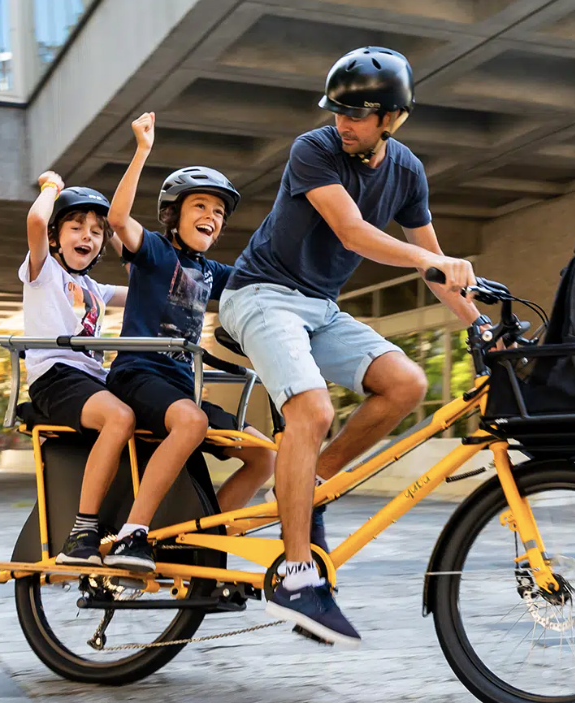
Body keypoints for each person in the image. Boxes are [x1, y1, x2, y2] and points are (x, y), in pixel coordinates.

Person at [219, 47, 491, 647]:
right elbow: (353, 233)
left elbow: (434, 265)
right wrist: (431, 259)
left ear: (391, 118)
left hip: (319, 307)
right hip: (260, 295)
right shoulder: (312, 150)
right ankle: (294, 575)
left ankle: (309, 486)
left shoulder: (407, 171)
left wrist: (479, 324)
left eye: (359, 114)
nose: (343, 123)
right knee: (311, 410)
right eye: (338, 110)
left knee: (406, 384)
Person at [105, 112, 276, 572]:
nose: (211, 217)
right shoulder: (156, 253)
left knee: (262, 455)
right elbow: (117, 218)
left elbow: (259, 282)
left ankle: (206, 538)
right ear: (173, 213)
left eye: (219, 213)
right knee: (192, 422)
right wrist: (142, 150)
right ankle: (131, 534)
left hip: (182, 386)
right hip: (138, 376)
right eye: (201, 206)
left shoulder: (211, 272)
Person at [21, 174, 134, 567]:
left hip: (91, 380)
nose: (87, 235)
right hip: (54, 376)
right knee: (120, 417)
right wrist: (51, 187)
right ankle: (82, 529)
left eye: (96, 231)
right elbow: (36, 223)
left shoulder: (96, 289)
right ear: (55, 238)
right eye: (76, 227)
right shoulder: (43, 273)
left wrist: (115, 230)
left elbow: (144, 283)